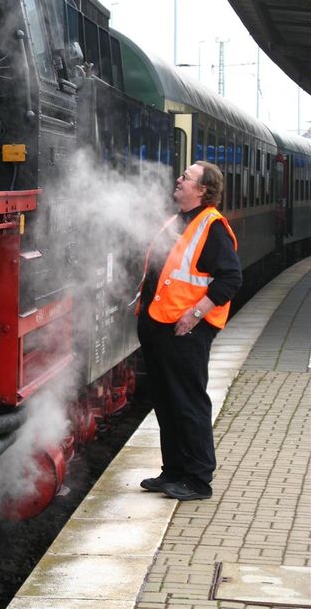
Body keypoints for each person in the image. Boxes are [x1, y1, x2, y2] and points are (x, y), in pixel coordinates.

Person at [136, 160, 242, 501]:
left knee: (188, 402)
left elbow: (230, 279)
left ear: (203, 190)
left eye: (187, 177)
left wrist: (195, 314)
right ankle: (174, 471)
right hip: (160, 327)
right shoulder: (178, 220)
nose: (179, 180)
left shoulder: (212, 227)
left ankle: (198, 479)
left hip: (185, 330)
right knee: (165, 401)